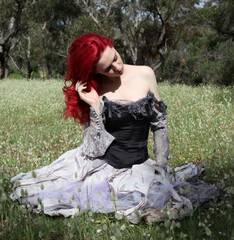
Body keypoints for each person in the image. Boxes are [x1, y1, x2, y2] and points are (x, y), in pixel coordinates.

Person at [10, 33, 221, 224]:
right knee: (44, 192)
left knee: (159, 198)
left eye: (115, 57)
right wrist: (94, 106)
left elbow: (159, 125)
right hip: (105, 167)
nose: (116, 67)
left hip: (141, 166)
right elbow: (93, 149)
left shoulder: (145, 74)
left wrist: (161, 164)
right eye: (107, 68)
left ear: (114, 46)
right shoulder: (93, 88)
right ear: (94, 71)